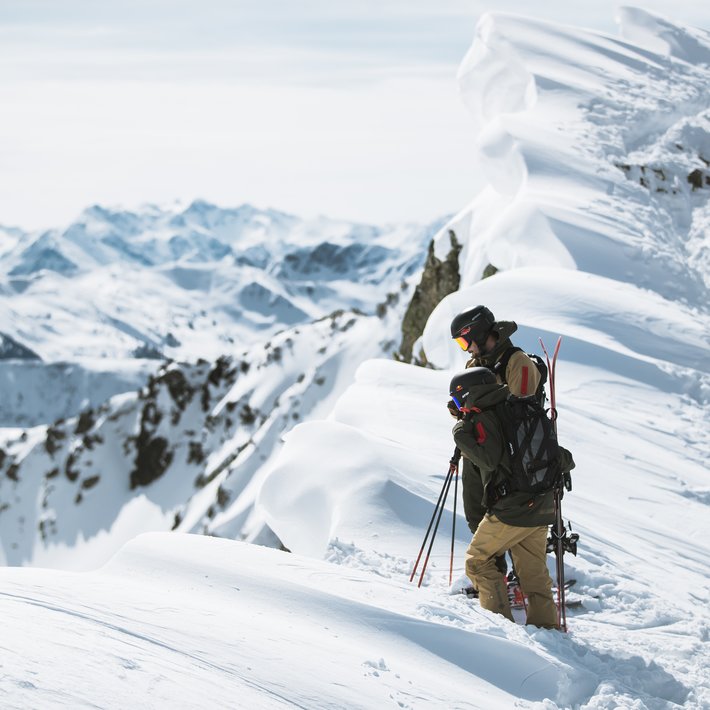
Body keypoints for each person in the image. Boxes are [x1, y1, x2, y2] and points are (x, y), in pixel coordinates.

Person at [449, 367, 575, 628]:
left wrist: (461, 432)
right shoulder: (521, 408)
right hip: (541, 504)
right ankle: (547, 629)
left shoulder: (483, 419)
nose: (460, 407)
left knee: (477, 561)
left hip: (512, 509)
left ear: (471, 394)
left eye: (460, 400)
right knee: (534, 575)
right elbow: (563, 458)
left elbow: (489, 459)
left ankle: (501, 631)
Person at [448, 305, 543, 578]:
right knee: (475, 512)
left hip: (511, 455)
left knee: (507, 514)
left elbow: (522, 413)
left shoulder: (518, 362)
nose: (465, 349)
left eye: (465, 341)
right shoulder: (473, 366)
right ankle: (493, 574)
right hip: (478, 451)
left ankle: (521, 573)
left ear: (477, 333)